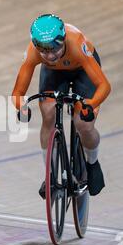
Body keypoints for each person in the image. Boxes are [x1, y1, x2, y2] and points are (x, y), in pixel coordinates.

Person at [12, 14, 111, 197]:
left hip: (83, 71)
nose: (50, 56)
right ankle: (49, 176)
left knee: (83, 124)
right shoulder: (34, 52)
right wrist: (21, 106)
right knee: (48, 114)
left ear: (63, 40)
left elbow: (104, 86)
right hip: (54, 74)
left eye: (55, 49)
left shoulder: (77, 44)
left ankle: (92, 163)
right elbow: (18, 92)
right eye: (44, 51)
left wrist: (92, 104)